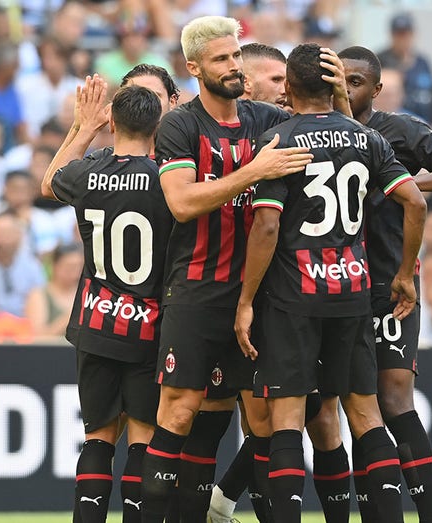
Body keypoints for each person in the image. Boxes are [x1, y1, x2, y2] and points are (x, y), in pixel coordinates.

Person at [139, 16, 345, 523]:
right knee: (181, 412)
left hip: (261, 297)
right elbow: (184, 202)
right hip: (197, 290)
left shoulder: (262, 119)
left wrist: (339, 96)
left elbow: (337, 137)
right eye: (221, 60)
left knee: (265, 423)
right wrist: (253, 172)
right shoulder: (180, 125)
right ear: (193, 68)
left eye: (235, 57)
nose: (234, 68)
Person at [235, 42, 427, 523]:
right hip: (353, 292)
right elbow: (416, 203)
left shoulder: (278, 141)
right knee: (365, 415)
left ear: (291, 88)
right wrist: (404, 273)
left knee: (287, 419)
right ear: (333, 85)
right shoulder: (368, 139)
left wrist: (245, 300)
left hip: (294, 296)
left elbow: (267, 226)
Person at [338, 45, 432, 523]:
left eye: (356, 81)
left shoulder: (397, 131)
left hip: (388, 282)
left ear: (376, 90)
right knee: (347, 404)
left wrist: (407, 185)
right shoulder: (313, 129)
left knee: (393, 395)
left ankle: (430, 516)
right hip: (331, 286)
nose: (346, 88)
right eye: (340, 78)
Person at [40, 77, 173, 523]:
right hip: (149, 325)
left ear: (112, 123)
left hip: (97, 320)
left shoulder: (87, 172)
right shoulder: (169, 180)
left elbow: (49, 182)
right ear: (158, 124)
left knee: (97, 437)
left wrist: (84, 128)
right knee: (142, 437)